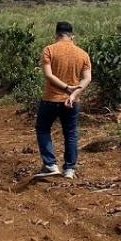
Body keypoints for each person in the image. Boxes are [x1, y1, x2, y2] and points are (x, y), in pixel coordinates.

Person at [35, 21, 91, 179]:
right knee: (71, 133)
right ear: (72, 36)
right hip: (71, 102)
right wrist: (73, 94)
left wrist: (66, 88)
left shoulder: (49, 50)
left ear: (56, 35)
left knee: (43, 129)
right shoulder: (82, 54)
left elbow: (48, 75)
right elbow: (87, 78)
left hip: (50, 99)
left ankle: (50, 164)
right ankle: (69, 169)